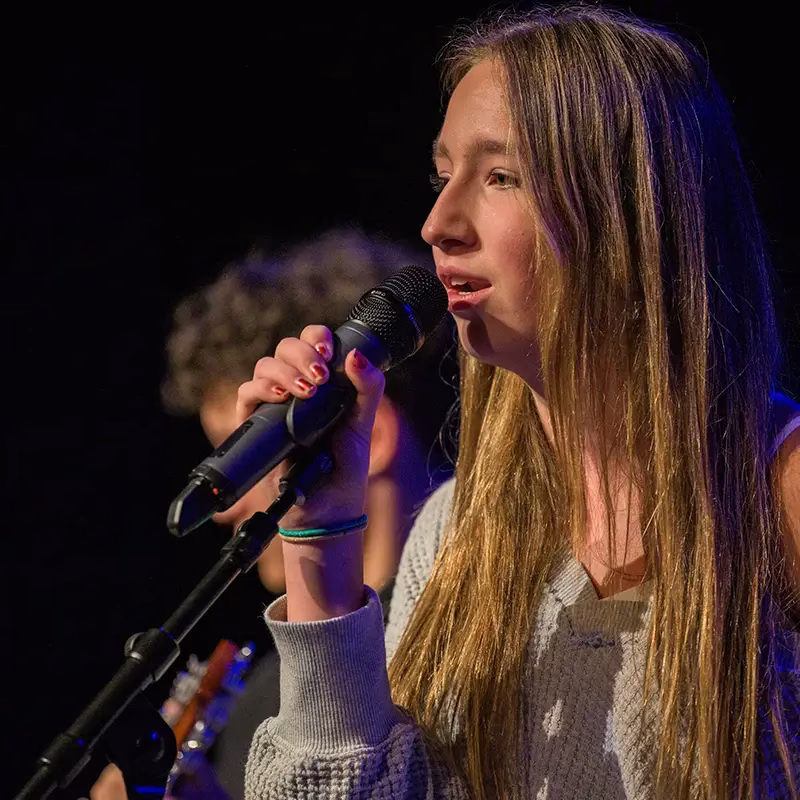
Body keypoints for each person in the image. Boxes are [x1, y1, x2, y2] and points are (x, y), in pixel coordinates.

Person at [238, 7, 800, 799]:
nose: (438, 224)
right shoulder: (459, 533)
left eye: (502, 176)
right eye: (443, 176)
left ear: (632, 215)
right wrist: (319, 535)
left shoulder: (777, 497)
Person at [88, 228, 458, 799]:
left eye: (249, 455)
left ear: (372, 437)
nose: (224, 508)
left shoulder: (480, 638)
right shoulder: (270, 701)